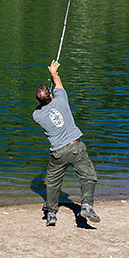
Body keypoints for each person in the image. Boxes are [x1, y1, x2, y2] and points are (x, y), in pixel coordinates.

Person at [33, 60, 100, 227]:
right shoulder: (62, 99)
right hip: (75, 146)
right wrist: (53, 72)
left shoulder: (37, 116)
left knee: (52, 183)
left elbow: (43, 106)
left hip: (58, 153)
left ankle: (51, 214)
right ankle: (86, 205)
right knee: (88, 176)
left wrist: (46, 96)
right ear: (51, 95)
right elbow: (58, 83)